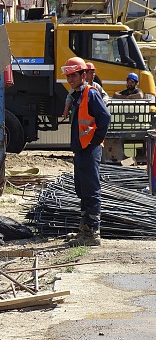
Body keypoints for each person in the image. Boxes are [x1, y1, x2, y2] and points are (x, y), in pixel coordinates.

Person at [61, 57, 111, 246]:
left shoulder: (90, 93)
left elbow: (105, 117)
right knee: (81, 189)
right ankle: (85, 229)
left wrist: (96, 141)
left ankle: (92, 234)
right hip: (81, 149)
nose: (70, 79)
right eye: (68, 76)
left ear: (83, 75)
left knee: (90, 190)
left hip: (90, 149)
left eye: (73, 75)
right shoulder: (76, 95)